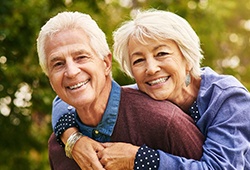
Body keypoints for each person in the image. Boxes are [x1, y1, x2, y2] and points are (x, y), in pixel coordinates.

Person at [52, 9, 250, 169]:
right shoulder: (143, 91)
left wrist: (138, 158)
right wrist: (73, 139)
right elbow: (66, 98)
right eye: (138, 60)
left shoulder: (228, 98)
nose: (151, 68)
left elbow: (222, 167)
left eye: (161, 54)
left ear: (187, 57)